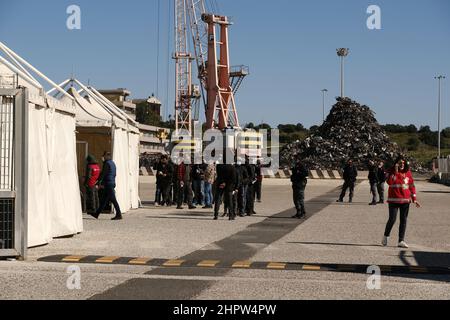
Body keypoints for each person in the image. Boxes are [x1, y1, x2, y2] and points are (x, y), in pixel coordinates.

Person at [382, 156, 421, 248]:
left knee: (403, 220)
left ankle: (401, 240)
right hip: (393, 200)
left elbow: (411, 186)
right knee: (392, 219)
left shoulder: (408, 172)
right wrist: (395, 171)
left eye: (403, 162)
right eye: (400, 162)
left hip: (405, 200)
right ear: (396, 163)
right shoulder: (391, 171)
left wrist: (414, 199)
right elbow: (390, 182)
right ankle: (386, 236)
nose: (402, 164)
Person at [91, 152, 122, 221]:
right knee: (104, 200)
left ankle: (119, 214)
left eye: (103, 156)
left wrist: (98, 182)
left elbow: (103, 173)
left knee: (113, 199)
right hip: (111, 182)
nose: (103, 157)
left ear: (106, 156)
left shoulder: (107, 163)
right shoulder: (112, 163)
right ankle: (97, 214)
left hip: (109, 183)